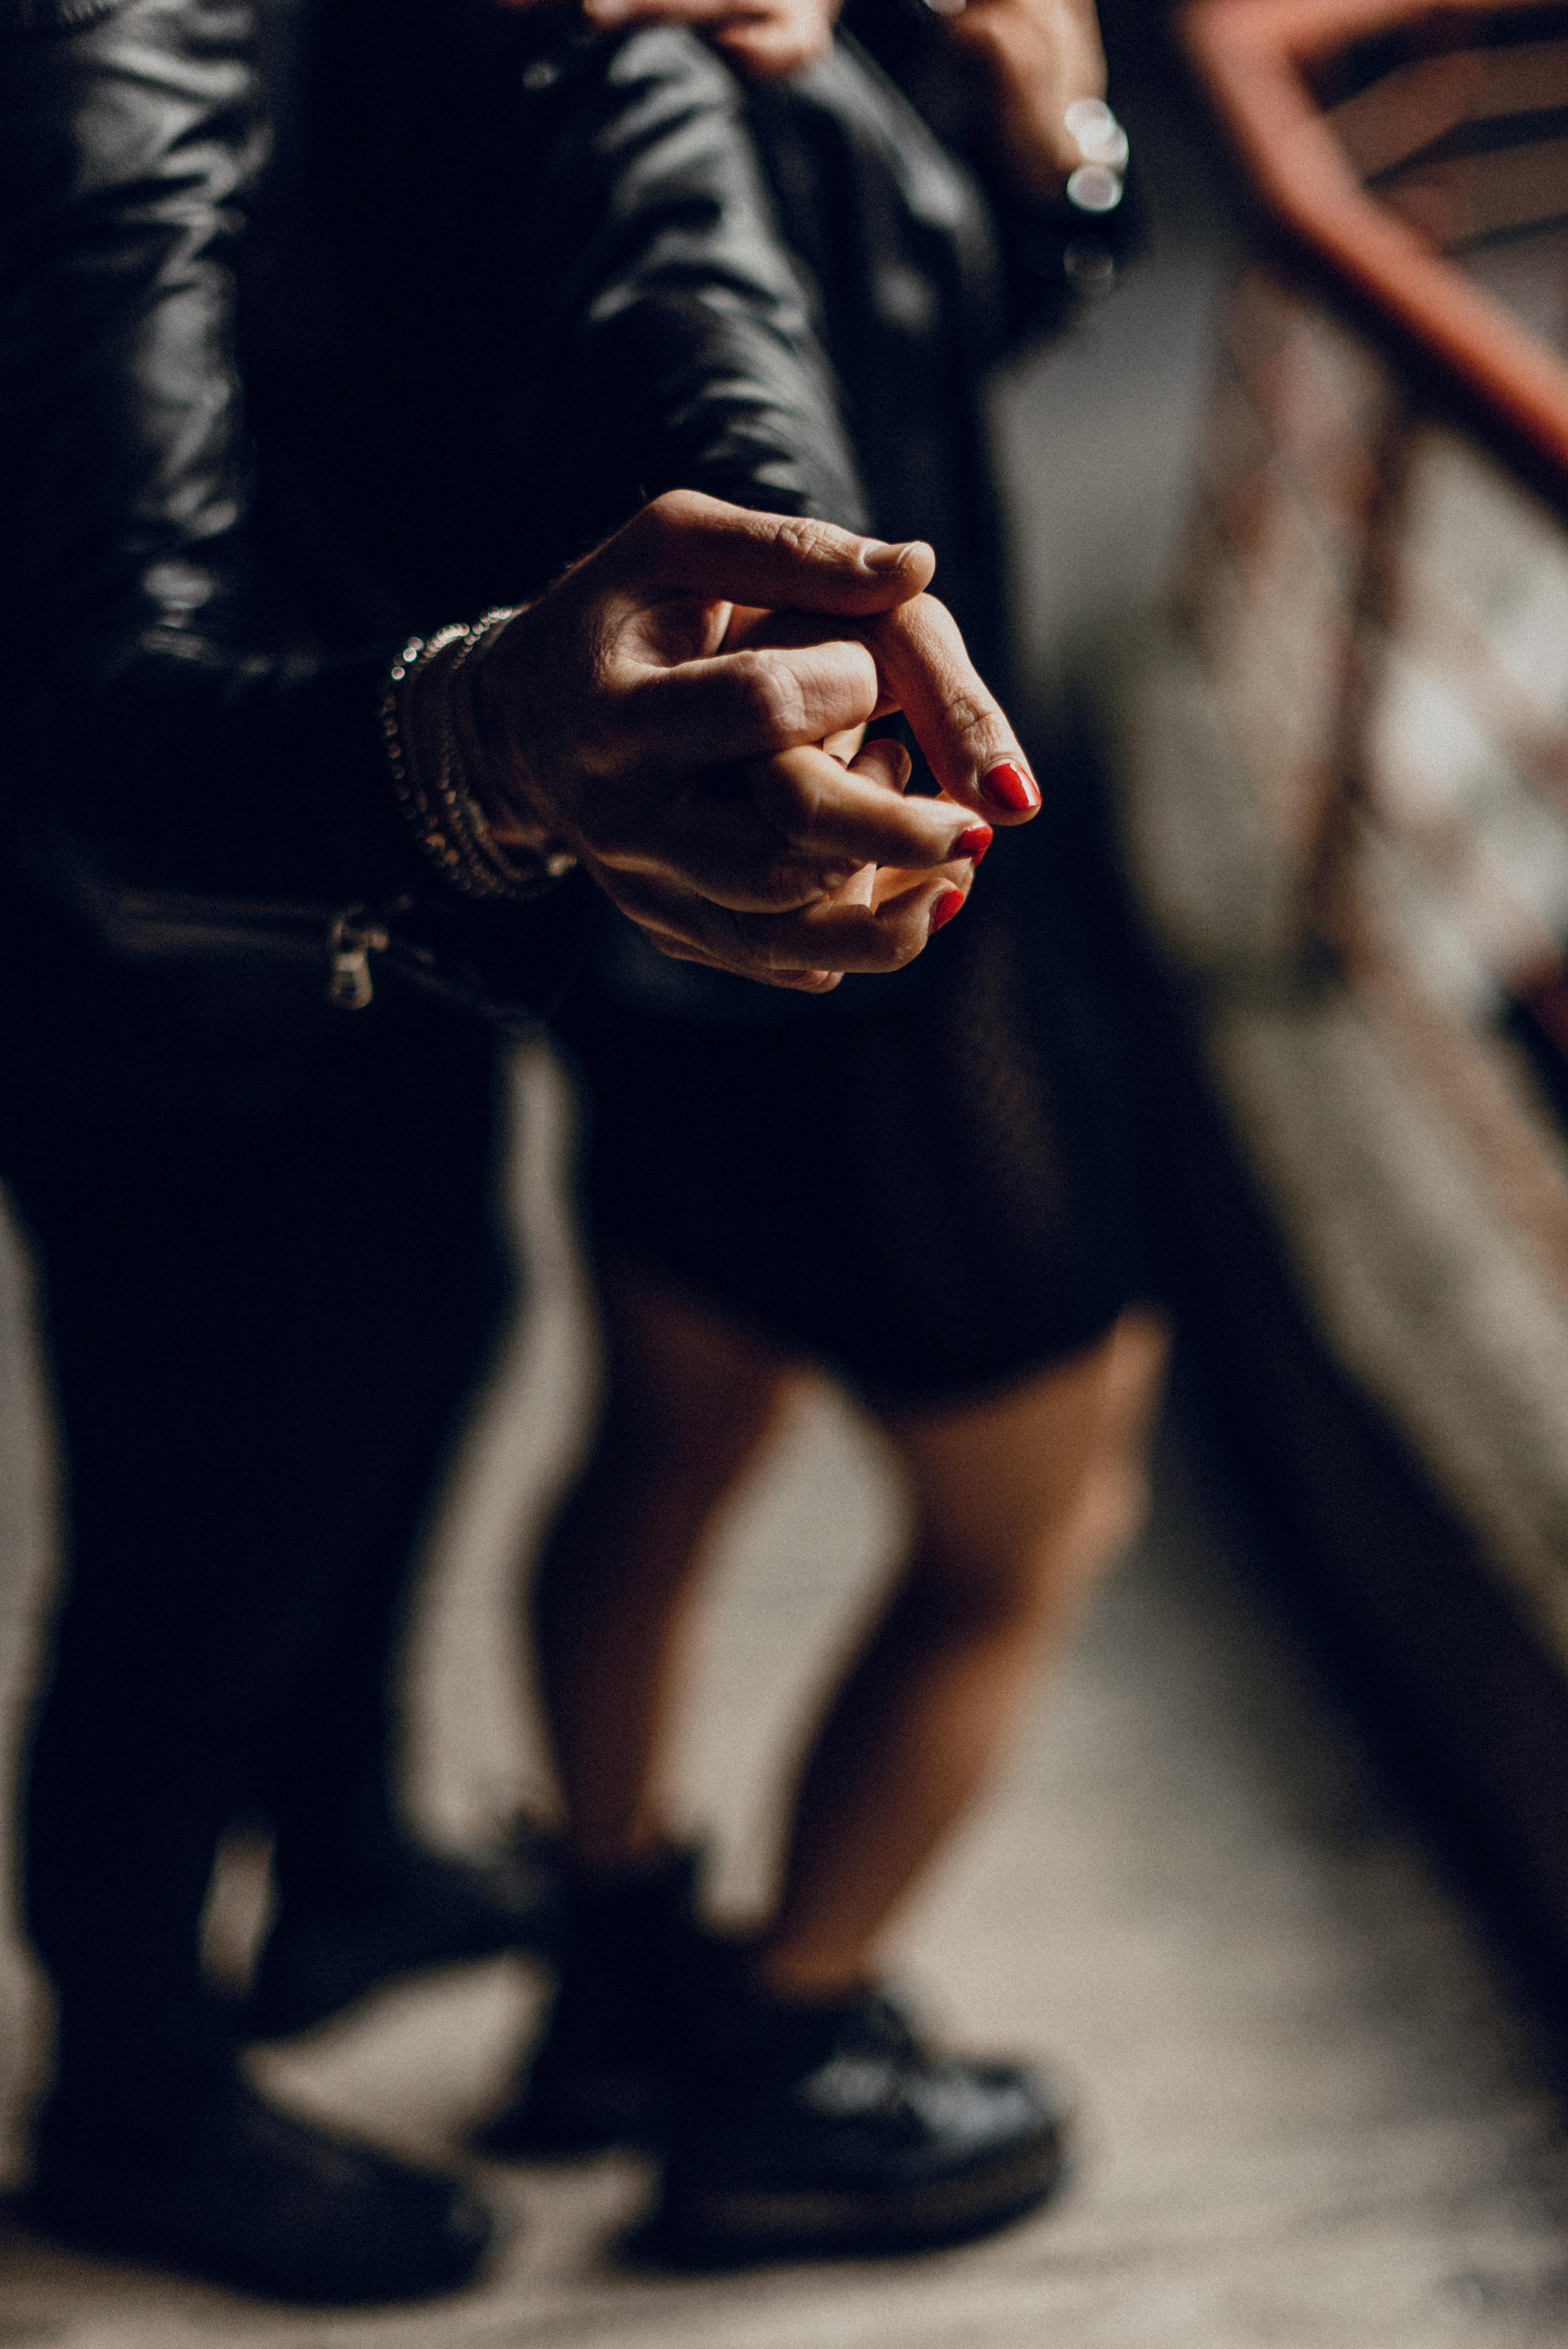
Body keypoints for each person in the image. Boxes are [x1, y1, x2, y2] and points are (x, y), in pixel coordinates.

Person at [1, 0, 1032, 2304]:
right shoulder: (100, 51)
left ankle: (347, 1858)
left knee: (429, 1323)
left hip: (370, 871)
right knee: (197, 1527)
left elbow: (679, 222)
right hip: (158, 941)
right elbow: (86, 728)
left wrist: (782, 566)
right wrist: (474, 743)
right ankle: (128, 2102)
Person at [461, 0, 1169, 2269]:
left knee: (669, 1427)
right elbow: (849, 405)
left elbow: (937, 328)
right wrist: (1043, 125)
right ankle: (789, 2058)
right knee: (1035, 1527)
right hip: (889, 905)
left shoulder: (493, 71)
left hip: (648, 873)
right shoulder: (704, 66)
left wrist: (1046, 125)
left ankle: (610, 1972)